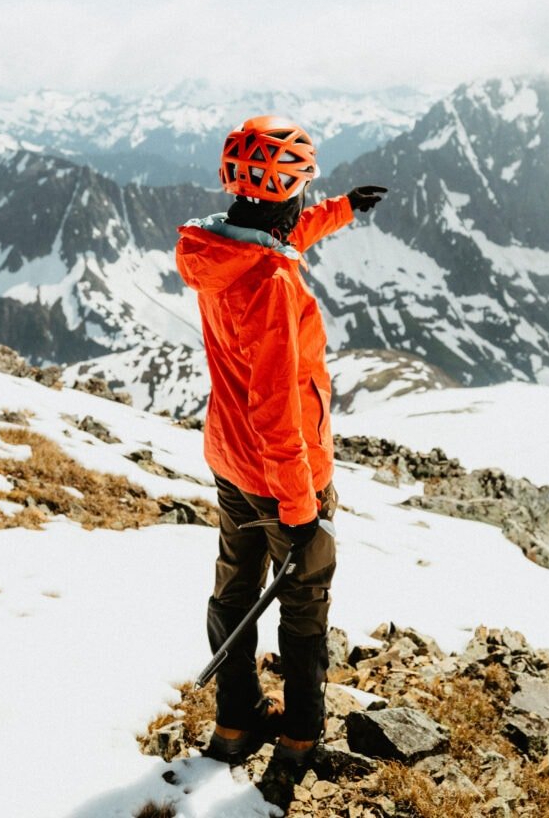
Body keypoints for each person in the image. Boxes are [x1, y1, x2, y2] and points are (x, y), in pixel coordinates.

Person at [174, 114, 387, 779]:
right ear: (284, 191)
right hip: (283, 476)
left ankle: (235, 721)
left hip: (229, 460)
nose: (303, 204)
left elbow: (284, 232)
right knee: (303, 604)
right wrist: (300, 510)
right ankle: (298, 738)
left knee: (234, 591)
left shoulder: (219, 250)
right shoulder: (272, 285)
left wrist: (342, 211)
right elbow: (278, 409)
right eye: (302, 189)